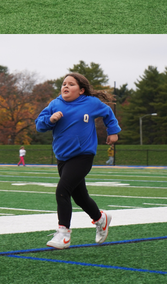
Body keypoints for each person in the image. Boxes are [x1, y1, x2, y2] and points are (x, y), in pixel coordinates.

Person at [35, 72, 120, 249]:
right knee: (80, 197)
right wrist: (50, 120)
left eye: (71, 84)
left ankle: (63, 234)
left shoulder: (91, 103)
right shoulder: (55, 104)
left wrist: (112, 131)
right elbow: (39, 124)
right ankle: (100, 218)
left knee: (62, 190)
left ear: (81, 90)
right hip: (63, 157)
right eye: (64, 83)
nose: (65, 86)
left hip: (83, 155)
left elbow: (108, 113)